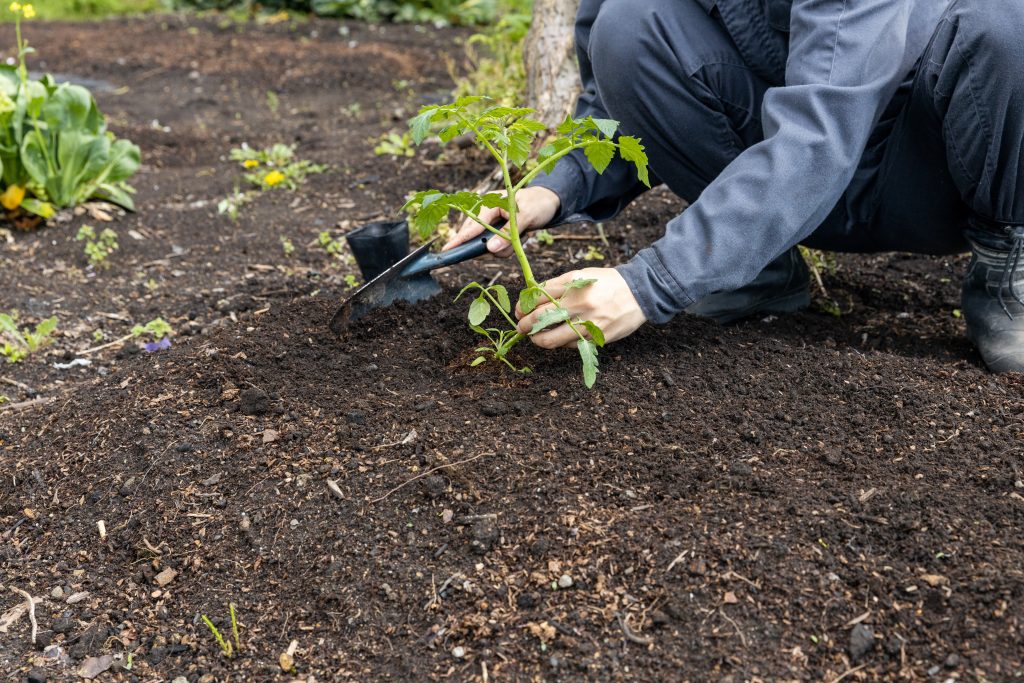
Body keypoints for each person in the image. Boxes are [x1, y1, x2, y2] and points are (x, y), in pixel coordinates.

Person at [442, 0, 1024, 372]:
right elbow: (609, 109)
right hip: (784, 176)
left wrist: (652, 282)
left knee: (1006, 23)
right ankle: (753, 266)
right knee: (627, 25)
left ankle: (1006, 265)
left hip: (930, 170)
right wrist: (553, 187)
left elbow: (819, 136)